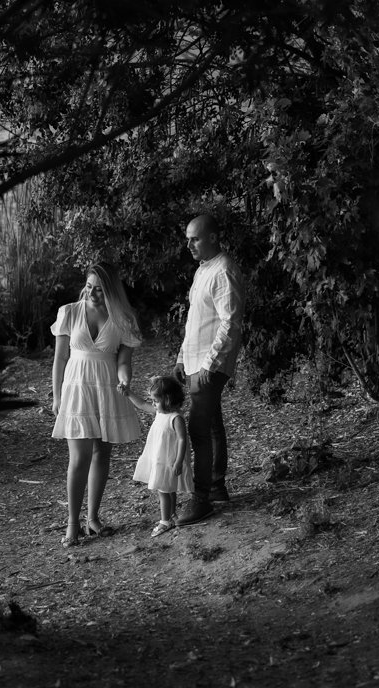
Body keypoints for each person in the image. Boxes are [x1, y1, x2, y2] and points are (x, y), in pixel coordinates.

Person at [50, 262, 143, 547]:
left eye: (100, 290)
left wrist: (125, 381)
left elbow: (123, 361)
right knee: (79, 457)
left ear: (112, 290)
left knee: (102, 454)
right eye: (89, 287)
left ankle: (92, 518)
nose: (92, 294)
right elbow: (60, 359)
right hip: (77, 388)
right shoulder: (69, 312)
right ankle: (72, 523)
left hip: (106, 388)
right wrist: (56, 396)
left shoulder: (124, 319)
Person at [173, 213, 245, 526]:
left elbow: (231, 323)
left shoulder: (224, 270)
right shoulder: (204, 269)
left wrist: (209, 363)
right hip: (195, 361)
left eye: (195, 238)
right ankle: (216, 487)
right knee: (212, 426)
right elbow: (197, 321)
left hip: (209, 365)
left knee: (198, 428)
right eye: (188, 238)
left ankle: (200, 498)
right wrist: (181, 357)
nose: (189, 244)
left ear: (213, 237)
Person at [122, 375, 191, 537]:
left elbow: (183, 440)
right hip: (159, 457)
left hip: (169, 459)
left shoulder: (175, 418)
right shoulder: (159, 411)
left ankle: (164, 521)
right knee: (168, 487)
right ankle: (172, 515)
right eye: (152, 400)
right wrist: (128, 392)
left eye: (156, 400)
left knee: (163, 489)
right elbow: (141, 404)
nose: (153, 403)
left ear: (168, 399)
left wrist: (179, 461)